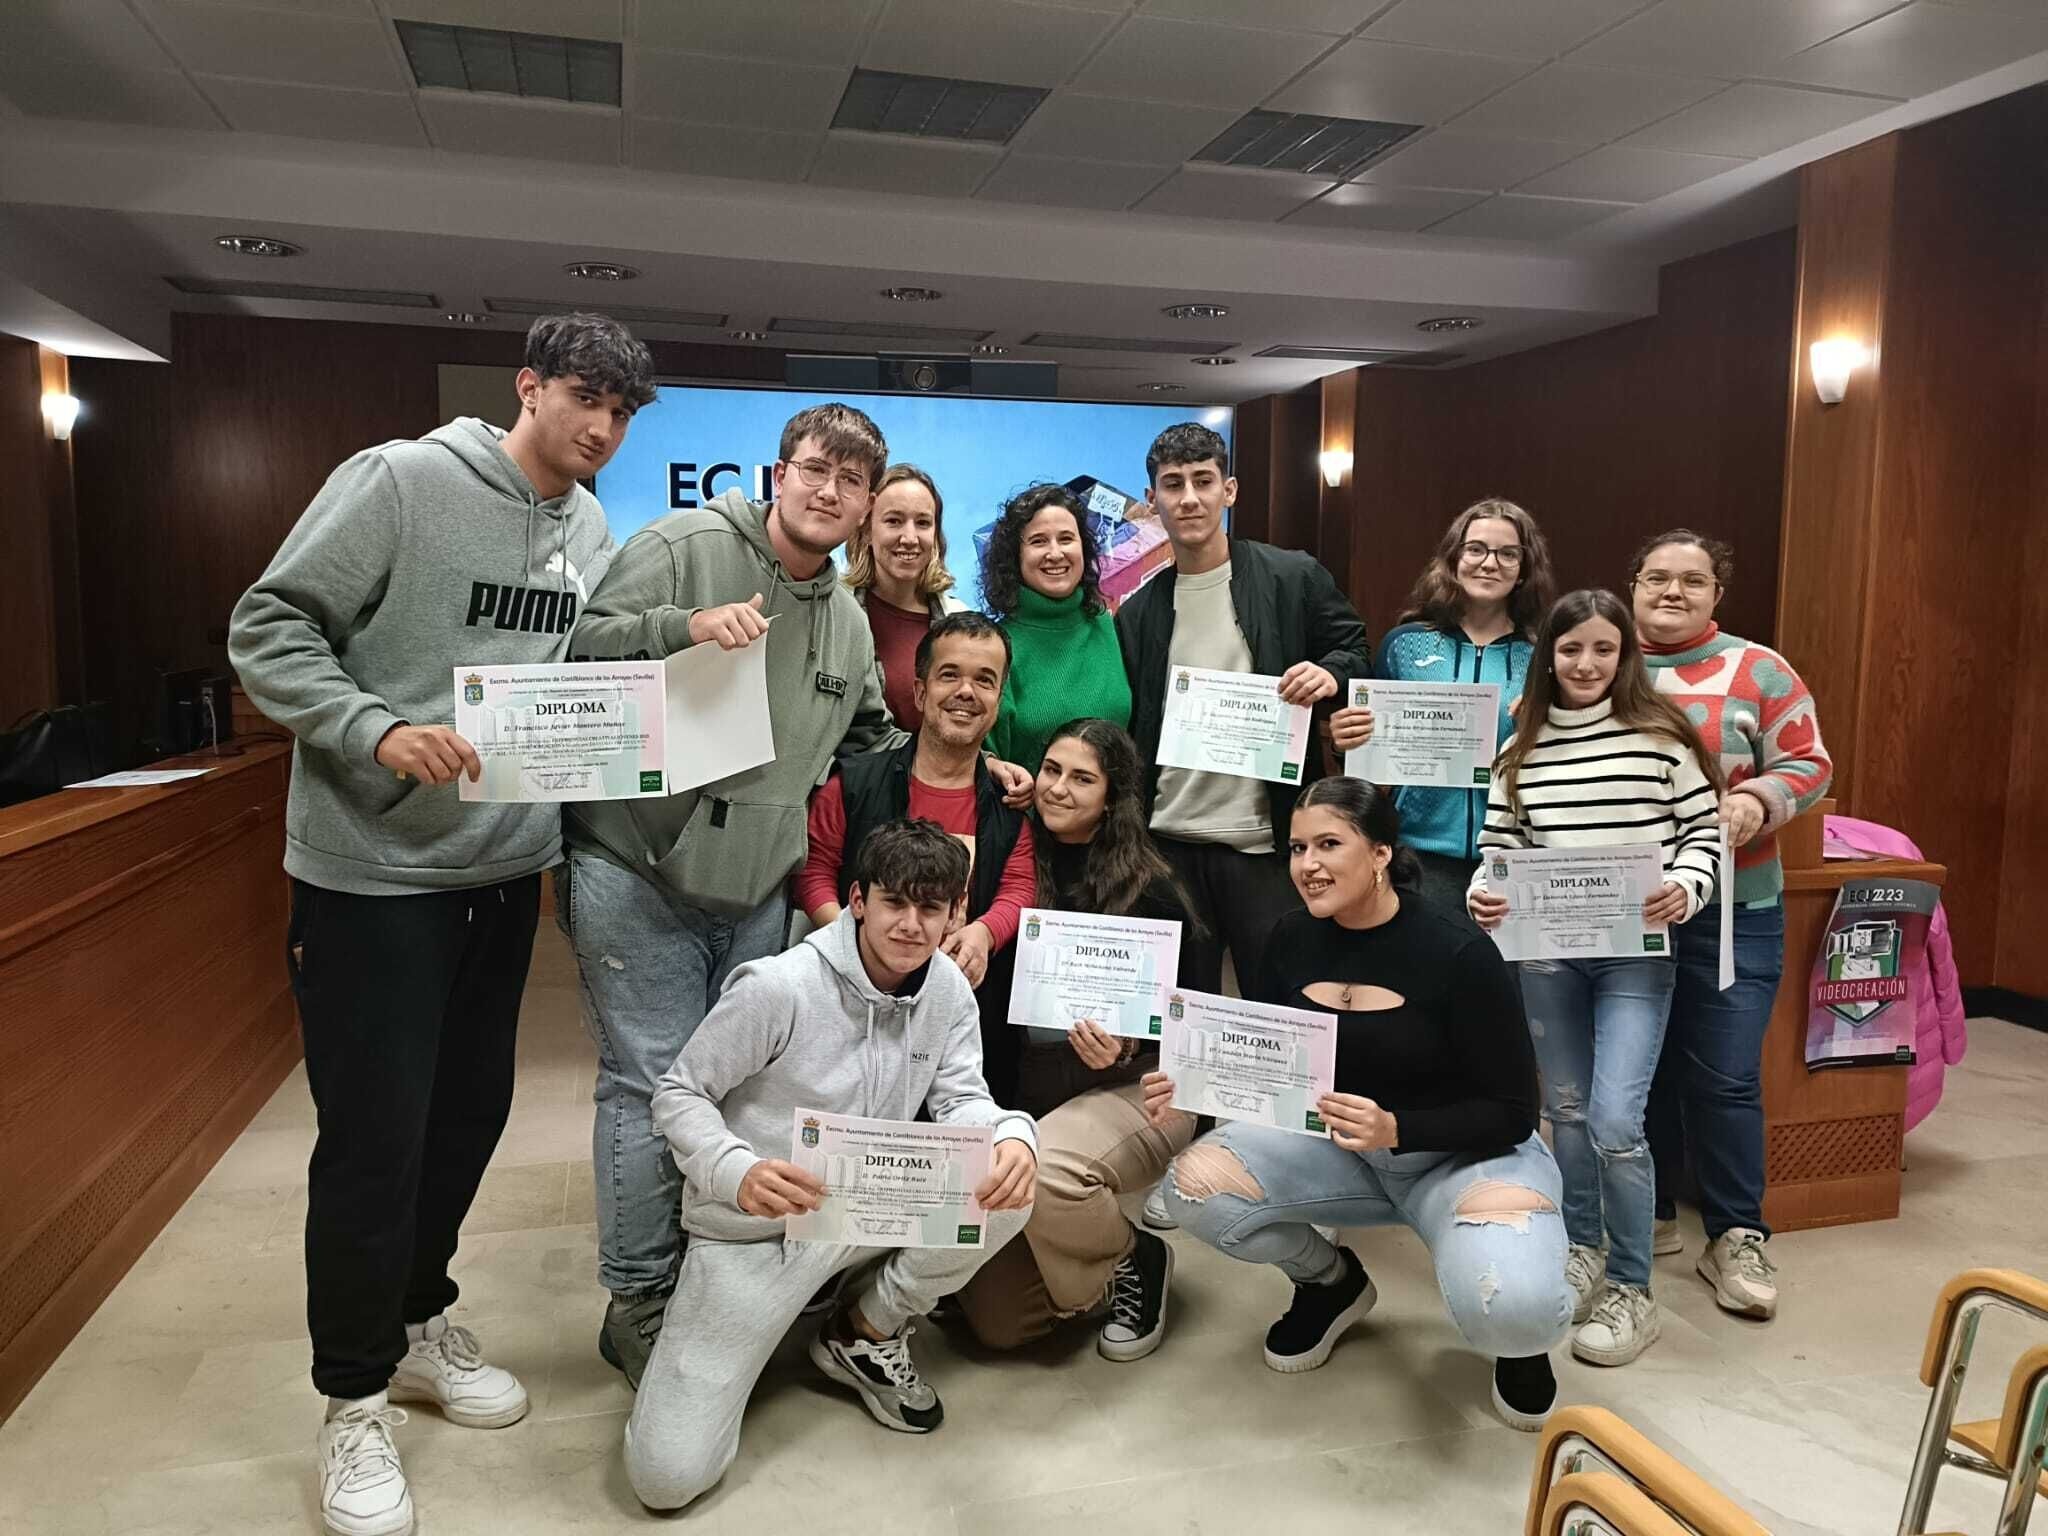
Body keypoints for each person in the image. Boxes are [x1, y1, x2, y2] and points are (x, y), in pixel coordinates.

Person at [228, 312, 654, 1536]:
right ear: (527, 386)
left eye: (620, 413)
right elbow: (268, 626)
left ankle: (418, 1322)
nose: (600, 428)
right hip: (372, 879)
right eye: (583, 399)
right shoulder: (400, 481)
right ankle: (352, 1397)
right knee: (374, 1141)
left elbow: (584, 684)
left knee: (466, 1120)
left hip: (500, 873)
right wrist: (373, 729)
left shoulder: (588, 530)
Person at [561, 402, 905, 1391]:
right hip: (635, 867)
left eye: (849, 481)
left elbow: (871, 743)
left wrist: (975, 771)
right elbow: (576, 657)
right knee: (648, 1083)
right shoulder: (681, 547)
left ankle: (699, 1277)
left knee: (724, 1090)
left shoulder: (845, 619)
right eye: (813, 469)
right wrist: (681, 629)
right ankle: (637, 1302)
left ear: (865, 505)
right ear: (778, 473)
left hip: (755, 890)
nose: (827, 491)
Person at [625, 819, 1037, 1510]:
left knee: (1009, 1191)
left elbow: (963, 1098)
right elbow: (679, 1093)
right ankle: (751, 1315)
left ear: (953, 914)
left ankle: (864, 1328)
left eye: (930, 908)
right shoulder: (778, 986)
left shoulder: (947, 991)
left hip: (870, 1203)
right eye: (894, 902)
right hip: (759, 1233)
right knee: (665, 1479)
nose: (911, 925)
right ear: (857, 900)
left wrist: (1013, 1136)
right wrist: (736, 1171)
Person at [1141, 777, 1572, 1430]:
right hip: (1343, 1154)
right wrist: (1193, 1084)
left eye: (1328, 845)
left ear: (1380, 853)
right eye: (1296, 848)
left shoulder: (1458, 951)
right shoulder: (1289, 938)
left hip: (1466, 1159)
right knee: (1192, 1187)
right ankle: (1330, 1283)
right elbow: (1271, 1065)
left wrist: (1398, 1126)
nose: (1307, 865)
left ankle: (1519, 1338)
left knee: (1512, 1311)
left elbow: (1513, 1112)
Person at [1469, 588, 1722, 1368]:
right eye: (1570, 648)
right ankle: (1582, 1248)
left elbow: (1705, 831)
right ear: (1548, 655)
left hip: (1635, 955)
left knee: (1616, 1121)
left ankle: (1633, 1288)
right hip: (1547, 953)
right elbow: (1500, 846)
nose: (1586, 663)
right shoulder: (1521, 747)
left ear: (1625, 655)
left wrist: (1688, 885)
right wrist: (1483, 892)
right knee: (1568, 1112)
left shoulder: (1661, 738)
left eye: (1603, 649)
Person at [1630, 530, 1832, 1320]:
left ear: (1718, 593)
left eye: (1692, 580)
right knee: (1632, 1069)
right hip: (1625, 911)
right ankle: (1643, 1216)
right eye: (1656, 577)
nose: (1672, 592)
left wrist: (1757, 799)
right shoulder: (1599, 661)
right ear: (1634, 585)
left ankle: (1736, 1234)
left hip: (1733, 911)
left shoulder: (1761, 670)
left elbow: (1809, 764)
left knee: (1725, 1074)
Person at [954, 718, 1197, 1360]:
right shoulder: (1009, 860)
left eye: (1083, 779)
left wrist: (1127, 1047)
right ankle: (1085, 1266)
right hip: (1028, 1086)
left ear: (1113, 798)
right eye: (1052, 770)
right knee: (1000, 1322)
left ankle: (1135, 1258)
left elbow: (1193, 1022)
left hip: (1136, 1088)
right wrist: (991, 764)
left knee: (1047, 1173)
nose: (1058, 788)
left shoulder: (1153, 888)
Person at [1117, 422, 1369, 998]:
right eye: (1173, 484)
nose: (1189, 498)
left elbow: (1355, 647)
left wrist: (1330, 674)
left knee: (1280, 1006)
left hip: (1266, 843)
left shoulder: (1291, 577)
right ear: (1152, 500)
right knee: (1180, 1013)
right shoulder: (1138, 612)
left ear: (1228, 490)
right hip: (1169, 846)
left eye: (1203, 481)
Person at [797, 612, 1040, 1100]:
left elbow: (1019, 885)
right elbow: (813, 869)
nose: (966, 691)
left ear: (998, 701)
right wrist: (851, 939)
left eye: (984, 680)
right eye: (950, 675)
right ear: (920, 692)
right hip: (847, 1011)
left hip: (962, 1022)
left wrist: (984, 933)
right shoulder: (853, 784)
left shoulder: (1011, 805)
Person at [1328, 497, 1552, 924]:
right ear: (1454, 558)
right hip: (1420, 856)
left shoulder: (1544, 655)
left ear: (1525, 569)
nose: (1490, 563)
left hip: (1516, 854)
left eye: (1508, 554)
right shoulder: (1405, 644)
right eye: (1476, 549)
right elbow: (1372, 761)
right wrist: (1348, 742)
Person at [979, 483, 1132, 772]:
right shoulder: (996, 647)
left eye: (1066, 539)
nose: (1055, 553)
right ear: (1015, 557)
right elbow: (983, 762)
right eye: (1038, 541)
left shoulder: (1104, 624)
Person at [844, 463, 966, 731]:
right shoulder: (836, 612)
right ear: (866, 531)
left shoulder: (960, 621)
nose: (910, 538)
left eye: (922, 523)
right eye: (894, 521)